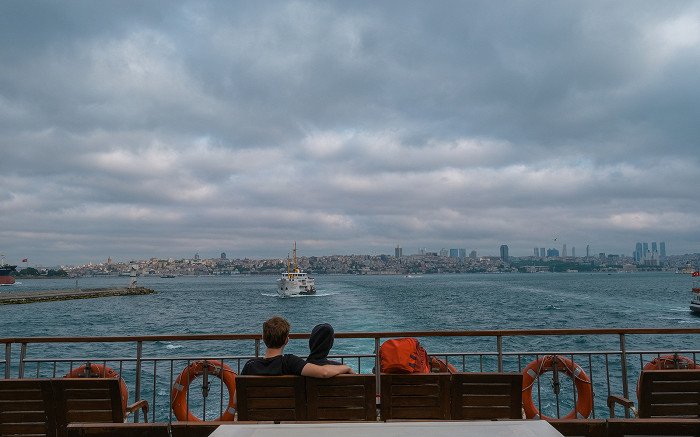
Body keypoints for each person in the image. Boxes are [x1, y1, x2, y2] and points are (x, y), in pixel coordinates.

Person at [241, 316, 353, 377]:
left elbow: (237, 400)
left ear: (263, 338)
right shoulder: (290, 362)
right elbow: (324, 372)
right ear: (286, 340)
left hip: (254, 414)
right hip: (286, 412)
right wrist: (346, 367)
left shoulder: (249, 365)